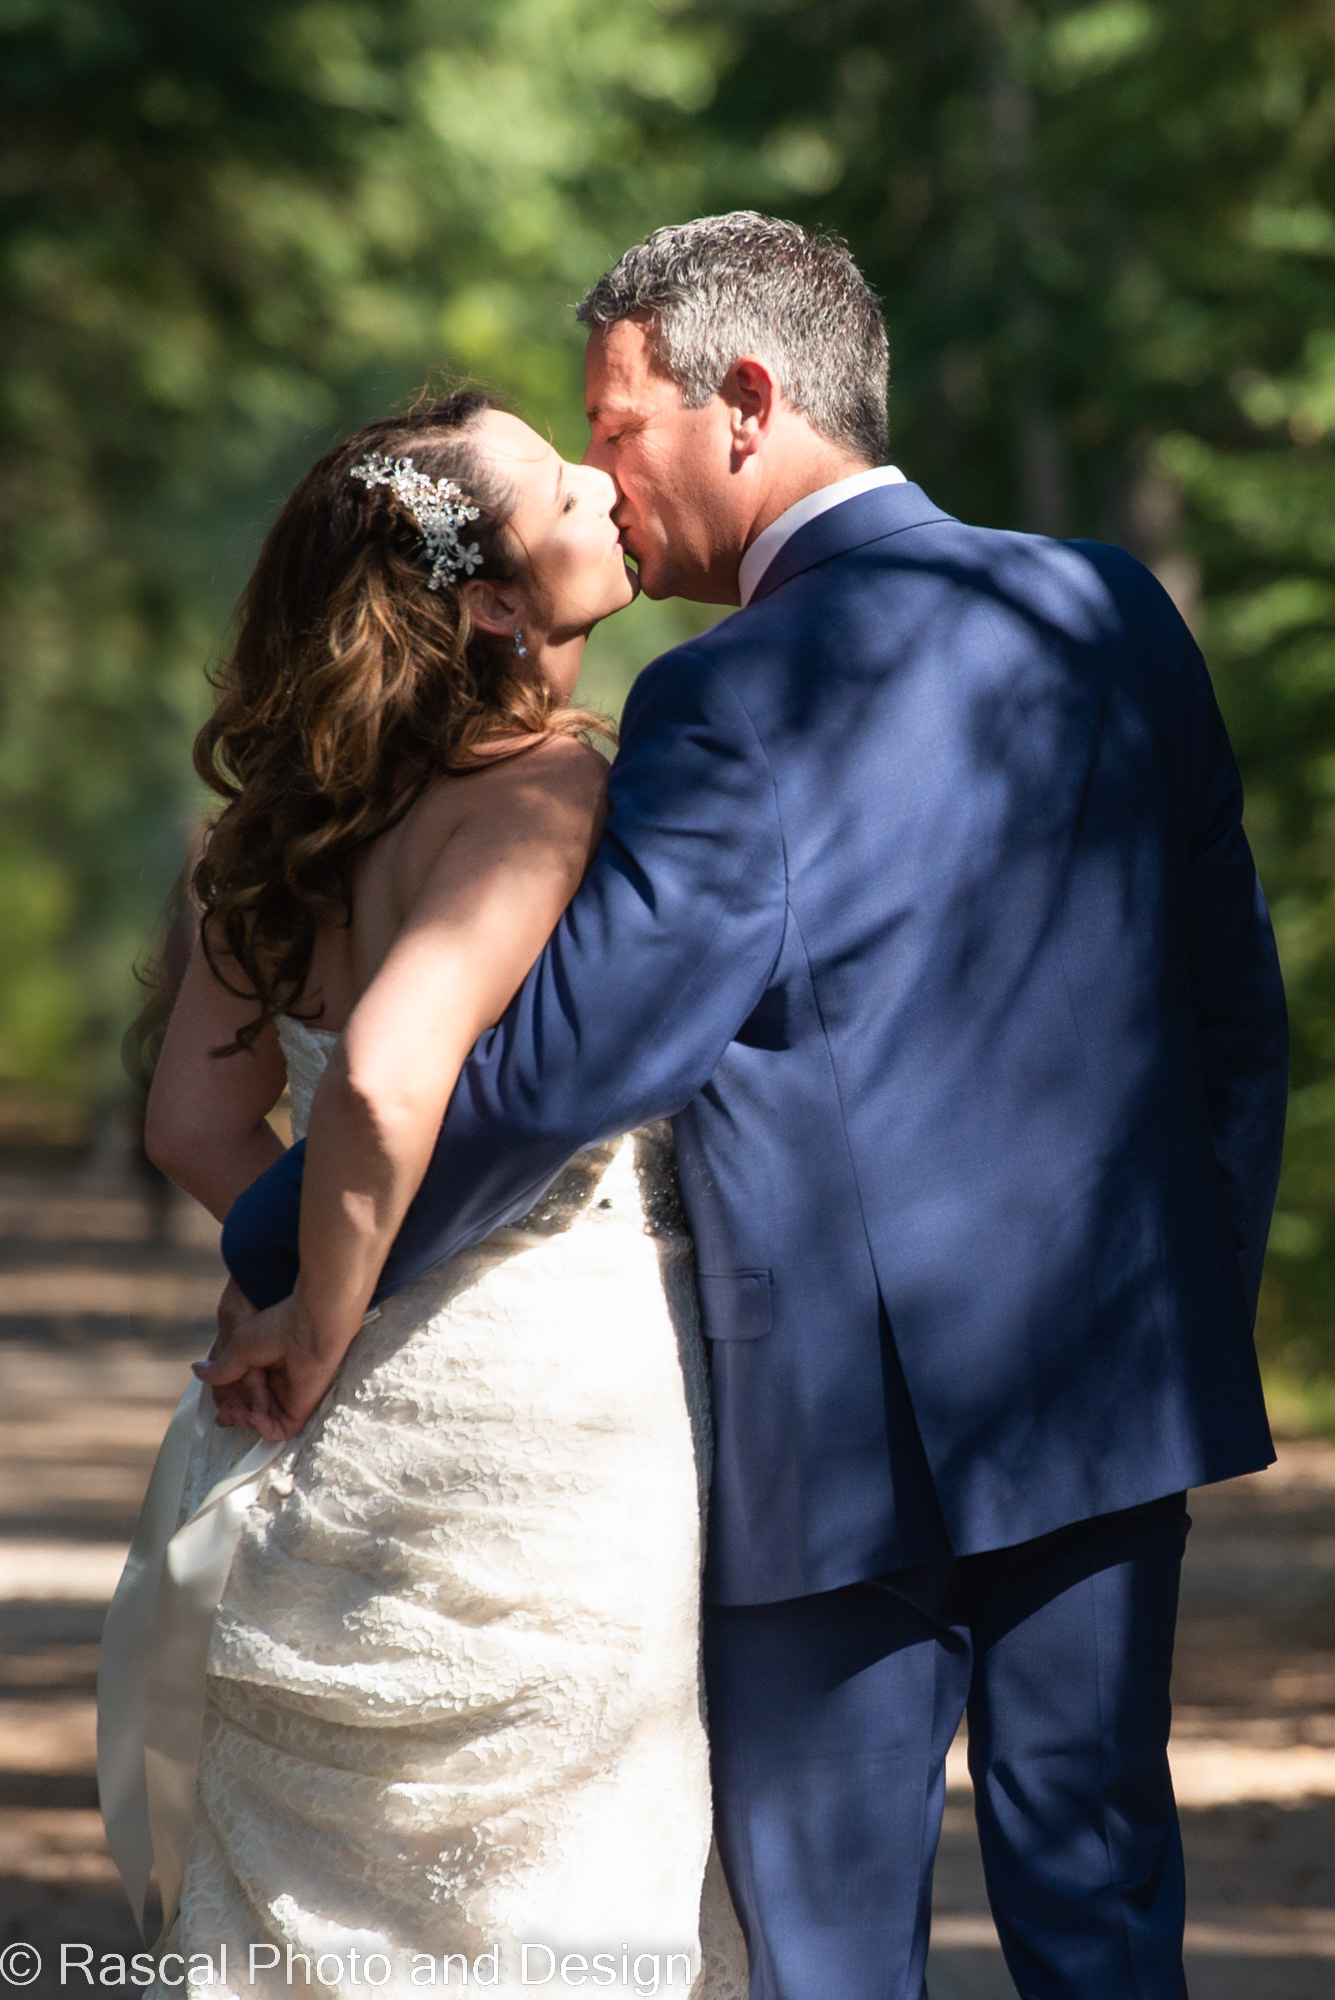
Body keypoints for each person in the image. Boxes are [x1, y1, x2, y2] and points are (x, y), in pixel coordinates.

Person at [218, 213, 1290, 1999]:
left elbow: (576, 1059)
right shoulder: (1111, 614)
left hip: (831, 1440)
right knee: (1104, 1922)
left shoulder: (733, 695)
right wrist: (1184, 1301)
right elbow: (1235, 1022)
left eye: (617, 429)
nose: (608, 484)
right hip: (1110, 1396)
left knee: (830, 1957)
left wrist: (285, 1232)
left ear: (748, 405)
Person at [126, 390, 749, 1997]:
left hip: (341, 1456)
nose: (608, 494)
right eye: (563, 490)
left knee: (332, 1908)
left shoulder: (257, 839)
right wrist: (328, 1319)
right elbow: (400, 1079)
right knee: (560, 1893)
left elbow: (196, 1127)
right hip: (544, 1413)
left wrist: (290, 1278)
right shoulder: (538, 791)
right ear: (490, 602)